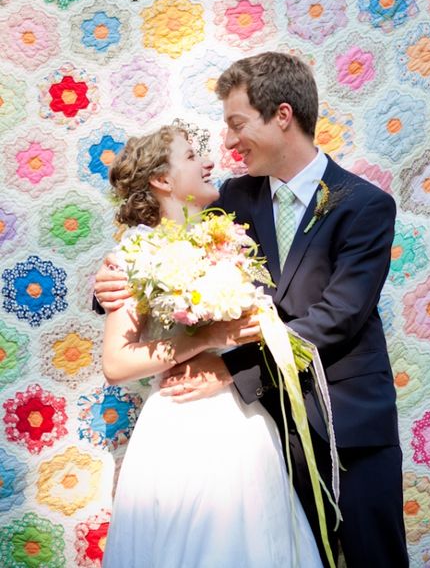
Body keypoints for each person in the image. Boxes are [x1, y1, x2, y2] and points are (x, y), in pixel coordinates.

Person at [95, 52, 409, 568]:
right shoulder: (230, 197)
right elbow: (165, 249)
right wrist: (109, 283)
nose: (227, 143)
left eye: (237, 124)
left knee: (372, 558)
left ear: (282, 116)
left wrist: (229, 368)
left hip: (346, 425)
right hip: (263, 437)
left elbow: (339, 316)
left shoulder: (364, 205)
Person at [99, 124, 323, 568]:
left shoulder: (231, 240)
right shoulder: (132, 254)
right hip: (180, 419)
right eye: (190, 156)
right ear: (162, 180)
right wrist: (206, 338)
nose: (208, 163)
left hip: (242, 415)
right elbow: (116, 363)